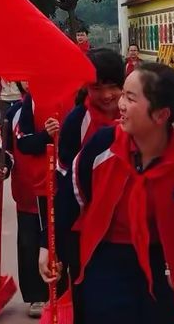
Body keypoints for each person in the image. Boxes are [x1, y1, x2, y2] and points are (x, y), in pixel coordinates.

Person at [40, 62, 174, 324]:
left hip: (159, 272)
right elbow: (69, 197)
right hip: (103, 265)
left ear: (160, 115)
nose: (119, 104)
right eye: (124, 94)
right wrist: (49, 245)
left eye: (130, 98)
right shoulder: (102, 146)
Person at [56, 48, 125, 323]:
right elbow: (63, 183)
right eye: (98, 87)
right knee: (86, 294)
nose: (107, 95)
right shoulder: (76, 122)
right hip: (82, 228)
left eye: (113, 86)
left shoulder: (134, 115)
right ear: (86, 86)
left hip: (125, 227)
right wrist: (52, 242)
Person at [0, 82, 48, 318]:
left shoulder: (58, 108)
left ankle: (60, 291)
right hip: (26, 190)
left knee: (56, 242)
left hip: (54, 187)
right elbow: (6, 149)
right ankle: (36, 296)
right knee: (28, 244)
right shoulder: (14, 112)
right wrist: (2, 167)